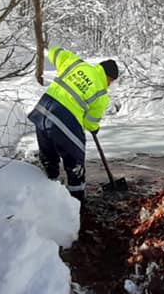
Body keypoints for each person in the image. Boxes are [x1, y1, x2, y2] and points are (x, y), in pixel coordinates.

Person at [28, 46, 118, 203]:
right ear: (109, 78)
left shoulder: (76, 64)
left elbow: (55, 52)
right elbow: (90, 123)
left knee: (49, 159)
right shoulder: (102, 94)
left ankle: (47, 194)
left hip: (42, 111)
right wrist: (94, 129)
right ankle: (76, 205)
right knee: (75, 166)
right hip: (65, 121)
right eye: (111, 81)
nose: (109, 85)